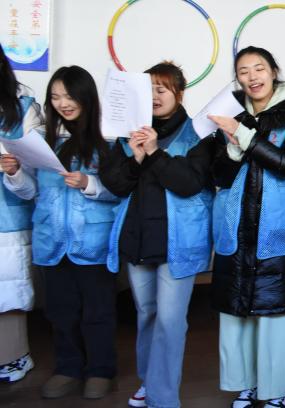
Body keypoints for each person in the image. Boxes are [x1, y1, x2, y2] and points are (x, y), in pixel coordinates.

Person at [209, 46, 285, 408]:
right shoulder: (231, 113)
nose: (252, 77)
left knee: (277, 317)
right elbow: (219, 175)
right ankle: (247, 384)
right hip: (236, 228)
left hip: (277, 231)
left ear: (274, 71)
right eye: (243, 71)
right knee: (237, 315)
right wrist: (231, 147)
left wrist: (242, 136)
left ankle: (281, 390)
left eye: (259, 68)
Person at [100, 61, 216, 408]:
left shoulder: (198, 134)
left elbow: (189, 183)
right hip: (138, 239)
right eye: (148, 89)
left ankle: (163, 398)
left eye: (161, 89)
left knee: (169, 320)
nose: (154, 96)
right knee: (147, 314)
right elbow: (115, 184)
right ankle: (149, 381)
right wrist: (136, 158)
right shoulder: (127, 133)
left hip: (178, 242)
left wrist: (153, 153)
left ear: (179, 93)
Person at [2, 65, 120, 399]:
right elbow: (31, 192)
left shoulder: (109, 139)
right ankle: (68, 368)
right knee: (60, 312)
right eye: (55, 97)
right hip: (51, 241)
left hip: (93, 243)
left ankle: (100, 370)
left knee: (97, 313)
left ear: (86, 96)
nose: (62, 103)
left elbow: (120, 191)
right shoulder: (41, 140)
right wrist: (14, 173)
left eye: (69, 96)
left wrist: (88, 183)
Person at [0, 43, 42, 383]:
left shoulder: (23, 110)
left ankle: (14, 357)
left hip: (8, 219)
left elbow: (35, 184)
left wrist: (13, 171)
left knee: (9, 290)